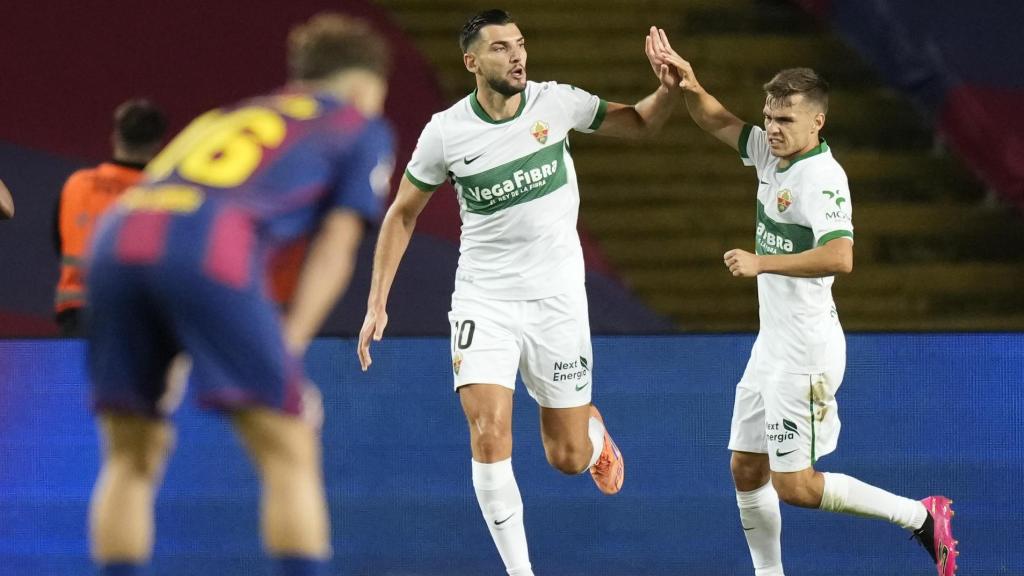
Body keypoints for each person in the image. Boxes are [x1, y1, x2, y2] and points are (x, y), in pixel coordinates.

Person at [357, 10, 679, 576]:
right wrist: (377, 300)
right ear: (472, 62)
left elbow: (639, 123)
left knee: (567, 456)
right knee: (488, 431)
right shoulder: (446, 132)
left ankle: (593, 434)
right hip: (485, 300)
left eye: (520, 44)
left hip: (557, 302)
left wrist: (668, 90)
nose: (517, 56)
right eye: (501, 47)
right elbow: (402, 213)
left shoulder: (556, 103)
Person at [86, 13, 394, 576]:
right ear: (360, 87)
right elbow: (336, 247)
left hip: (115, 241)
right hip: (208, 247)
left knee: (130, 453)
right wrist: (290, 345)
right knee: (289, 447)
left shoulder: (225, 115)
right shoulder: (357, 125)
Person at [654, 43, 958, 576]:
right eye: (769, 117)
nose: (772, 128)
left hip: (806, 355)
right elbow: (719, 121)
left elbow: (841, 256)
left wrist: (762, 263)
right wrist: (691, 86)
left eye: (785, 120)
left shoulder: (822, 178)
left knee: (795, 486)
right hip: (772, 348)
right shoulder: (770, 154)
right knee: (746, 467)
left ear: (817, 121)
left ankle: (920, 516)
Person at [55, 99, 168, 336]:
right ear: (158, 143)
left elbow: (60, 243)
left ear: (116, 136)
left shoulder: (78, 184)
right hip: (138, 318)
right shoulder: (164, 195)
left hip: (79, 313)